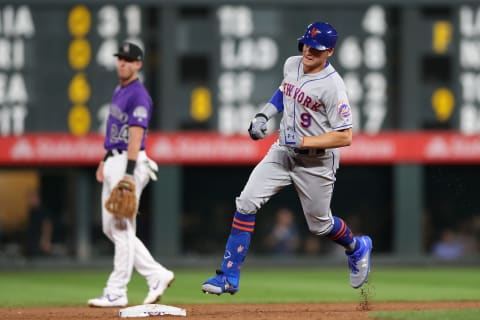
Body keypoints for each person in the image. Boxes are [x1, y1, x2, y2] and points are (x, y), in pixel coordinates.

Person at [201, 21, 372, 295]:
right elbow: (283, 91)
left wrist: (305, 141)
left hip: (316, 161)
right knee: (245, 202)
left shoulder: (333, 86)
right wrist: (263, 115)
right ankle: (228, 276)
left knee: (320, 226)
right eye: (305, 44)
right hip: (282, 151)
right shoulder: (292, 63)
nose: (307, 51)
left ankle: (357, 247)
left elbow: (345, 136)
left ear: (329, 51)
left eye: (315, 49)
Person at [88, 41, 174, 307]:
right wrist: (105, 159)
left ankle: (116, 290)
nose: (123, 63)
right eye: (120, 58)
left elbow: (136, 135)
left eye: (128, 59)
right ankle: (157, 274)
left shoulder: (139, 95)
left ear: (138, 64)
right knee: (110, 227)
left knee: (122, 227)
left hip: (130, 161)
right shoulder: (119, 90)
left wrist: (127, 173)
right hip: (116, 158)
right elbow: (117, 131)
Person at [24, 189, 53, 257]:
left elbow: (47, 225)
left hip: (39, 242)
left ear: (38, 198)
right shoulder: (31, 212)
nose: (30, 200)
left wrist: (45, 241)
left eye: (32, 198)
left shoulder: (42, 211)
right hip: (32, 242)